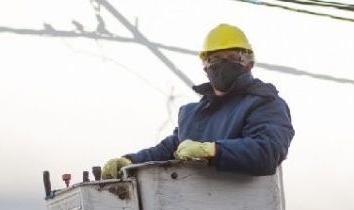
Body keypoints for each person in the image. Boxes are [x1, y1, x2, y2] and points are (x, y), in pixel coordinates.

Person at [101, 23, 294, 179]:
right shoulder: (194, 113)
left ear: (249, 63)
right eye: (215, 58)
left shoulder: (265, 103)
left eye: (232, 57)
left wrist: (212, 151)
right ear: (206, 67)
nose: (223, 63)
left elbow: (267, 152)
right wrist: (130, 161)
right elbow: (170, 149)